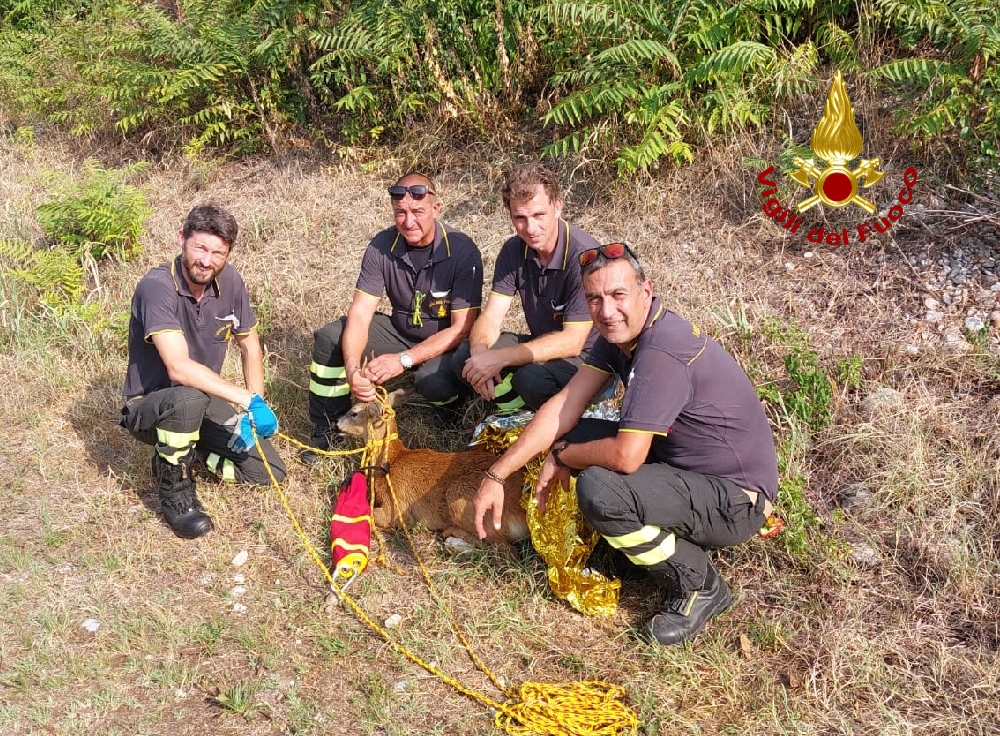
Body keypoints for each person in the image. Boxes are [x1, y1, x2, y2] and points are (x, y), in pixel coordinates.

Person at [472, 243, 778, 645]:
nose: (607, 310)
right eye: (595, 299)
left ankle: (698, 584)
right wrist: (497, 474)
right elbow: (565, 405)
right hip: (688, 471)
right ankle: (640, 542)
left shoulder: (661, 351)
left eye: (619, 295)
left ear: (645, 291)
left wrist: (564, 455)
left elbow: (626, 457)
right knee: (577, 433)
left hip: (736, 500)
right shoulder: (618, 337)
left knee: (600, 489)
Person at [120, 205, 287, 539]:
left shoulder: (231, 281)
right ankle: (175, 487)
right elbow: (178, 368)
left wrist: (253, 409)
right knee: (186, 400)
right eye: (200, 248)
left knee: (267, 472)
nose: (207, 261)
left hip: (204, 399)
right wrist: (244, 397)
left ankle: (187, 452)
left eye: (218, 253)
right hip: (152, 405)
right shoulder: (157, 287)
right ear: (182, 238)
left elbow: (249, 345)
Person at [301, 172, 483, 463]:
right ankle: (328, 428)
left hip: (445, 340)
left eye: (418, 212)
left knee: (431, 379)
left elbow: (462, 328)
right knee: (330, 336)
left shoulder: (462, 251)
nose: (408, 222)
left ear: (436, 209)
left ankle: (450, 414)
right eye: (400, 213)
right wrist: (351, 369)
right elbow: (360, 314)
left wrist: (402, 360)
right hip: (400, 330)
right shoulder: (381, 246)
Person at [451, 162, 600, 412]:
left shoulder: (583, 256)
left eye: (538, 215)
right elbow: (491, 316)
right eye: (519, 218)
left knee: (530, 380)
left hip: (589, 358)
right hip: (544, 342)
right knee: (464, 358)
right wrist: (480, 354)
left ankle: (551, 421)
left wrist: (499, 358)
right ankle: (513, 414)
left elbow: (573, 341)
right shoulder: (513, 250)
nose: (530, 229)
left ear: (557, 206)